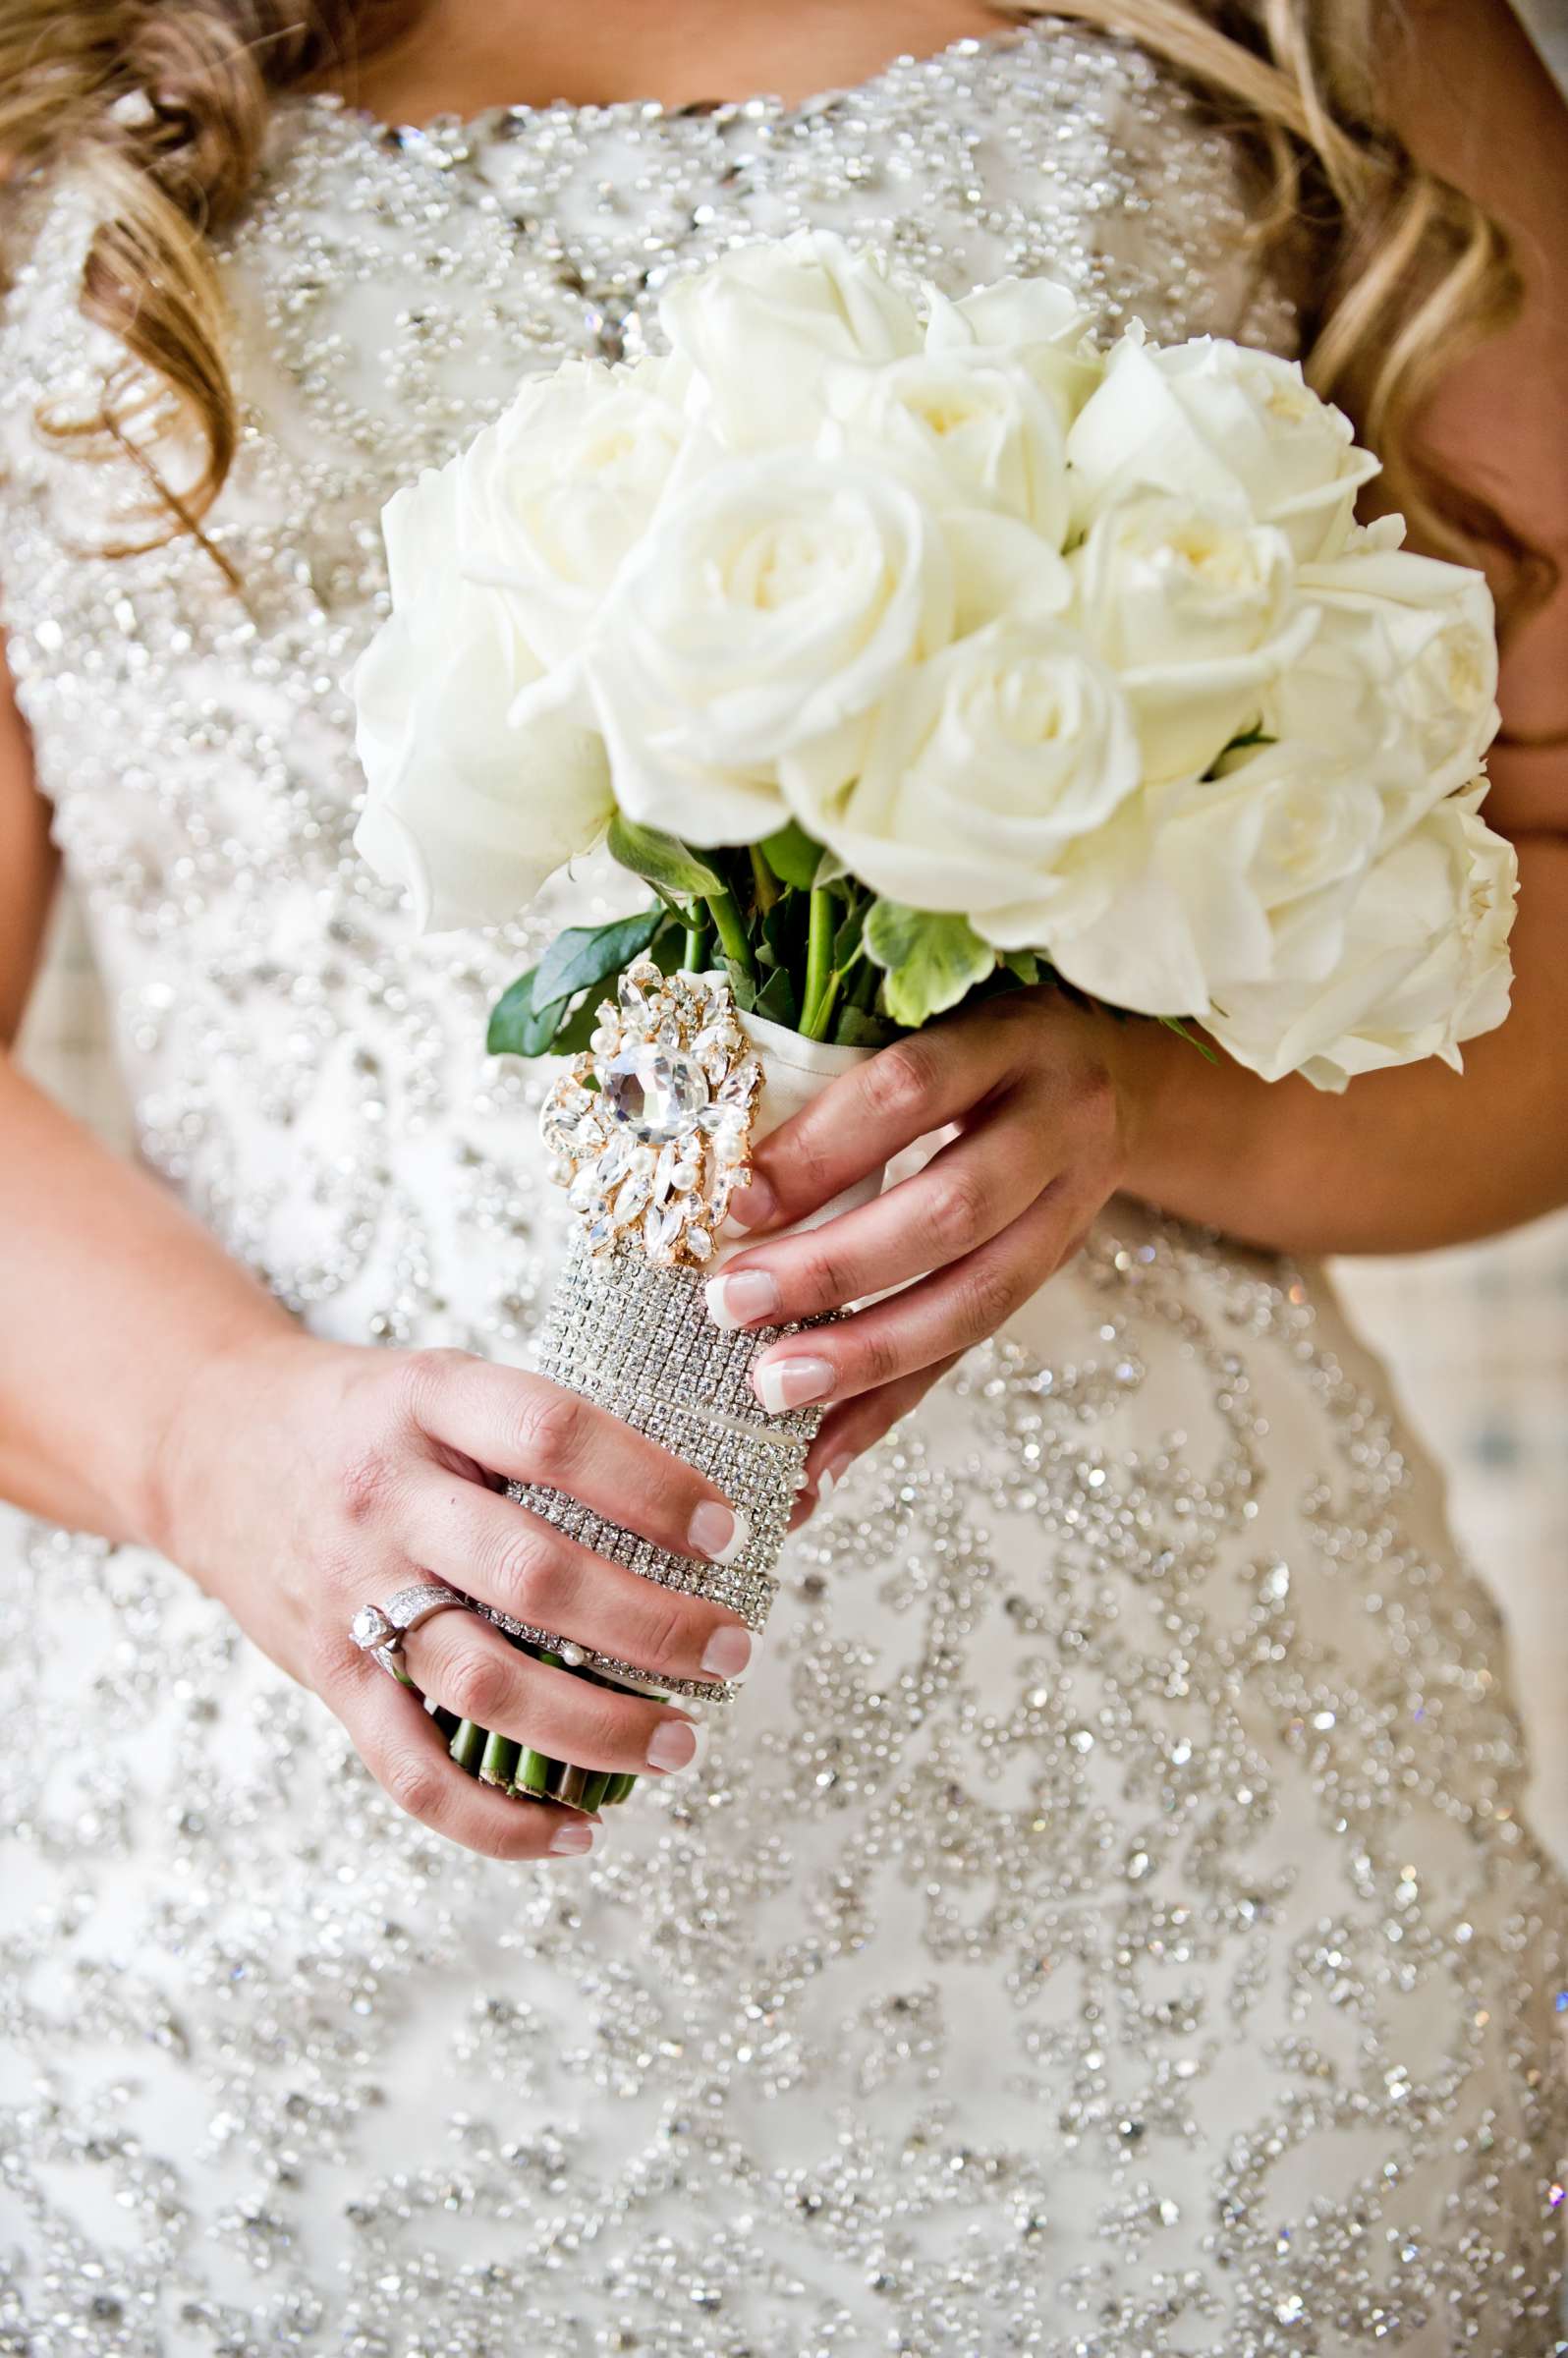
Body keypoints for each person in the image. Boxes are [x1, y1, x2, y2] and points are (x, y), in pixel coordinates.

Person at [0, 2, 1563, 2347]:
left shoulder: (1325, 28)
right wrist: (211, 1437)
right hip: (255, 1947)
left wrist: (1144, 1099)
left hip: (1189, 1922)